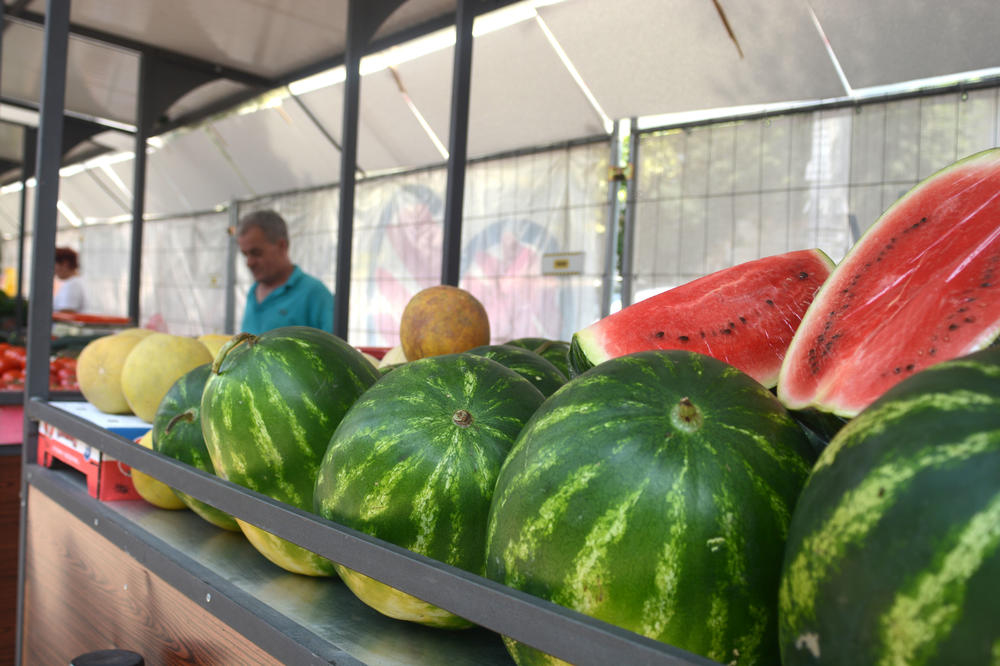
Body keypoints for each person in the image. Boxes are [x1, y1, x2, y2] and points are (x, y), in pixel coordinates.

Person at [237, 209, 334, 334]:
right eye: (245, 254)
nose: (249, 263)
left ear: (282, 246)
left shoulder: (315, 293)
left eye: (256, 253)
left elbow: (335, 349)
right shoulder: (253, 292)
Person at [53, 247, 85, 312]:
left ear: (65, 264)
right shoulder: (78, 281)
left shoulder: (72, 284)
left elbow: (67, 312)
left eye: (55, 264)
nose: (54, 270)